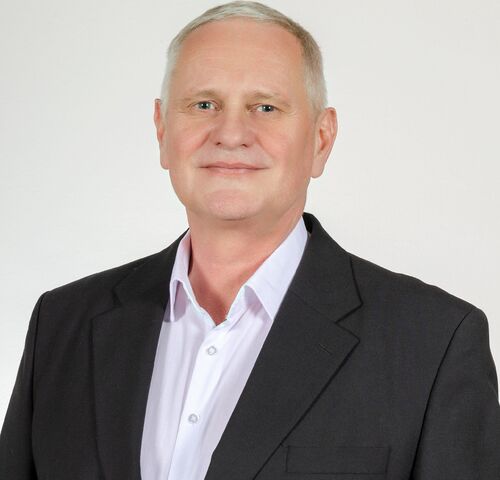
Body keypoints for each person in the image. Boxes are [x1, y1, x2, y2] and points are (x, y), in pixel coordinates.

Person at [1, 1, 499, 478]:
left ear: (321, 139)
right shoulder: (61, 325)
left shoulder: (434, 345)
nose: (231, 132)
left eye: (265, 106)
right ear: (162, 131)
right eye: (203, 104)